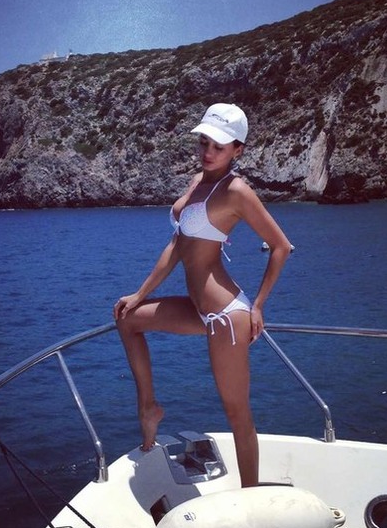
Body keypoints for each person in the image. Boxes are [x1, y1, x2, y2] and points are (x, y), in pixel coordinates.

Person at [113, 103, 292, 487]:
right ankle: (149, 408)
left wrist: (258, 306)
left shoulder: (236, 191)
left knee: (237, 413)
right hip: (199, 309)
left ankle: (251, 495)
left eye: (219, 146)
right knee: (127, 318)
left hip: (226, 316)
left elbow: (281, 246)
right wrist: (140, 293)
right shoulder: (198, 180)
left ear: (237, 150)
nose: (208, 152)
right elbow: (177, 245)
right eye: (204, 142)